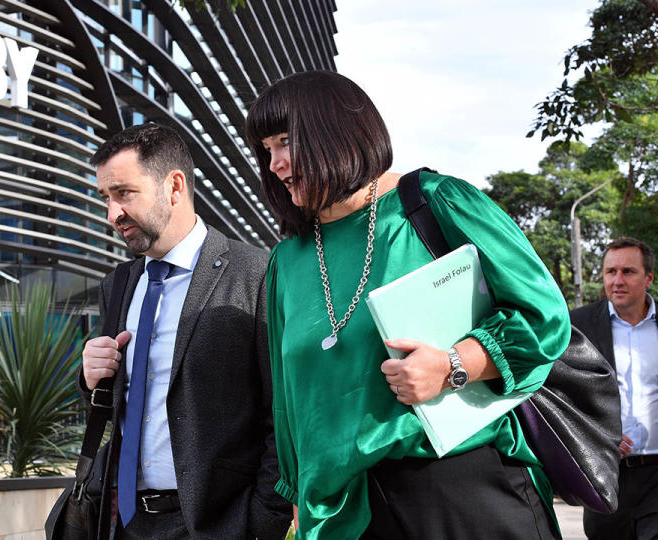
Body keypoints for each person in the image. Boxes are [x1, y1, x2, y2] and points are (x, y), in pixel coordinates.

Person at [245, 70, 571, 539]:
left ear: (336, 130)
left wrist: (453, 364)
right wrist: (299, 498)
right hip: (346, 513)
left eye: (284, 141)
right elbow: (288, 400)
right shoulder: (286, 260)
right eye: (265, 150)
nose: (275, 163)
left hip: (459, 482)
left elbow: (544, 317)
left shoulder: (436, 203)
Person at [78, 123, 292, 539]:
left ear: (174, 186)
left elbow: (282, 416)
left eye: (123, 193)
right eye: (105, 197)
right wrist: (90, 379)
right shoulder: (117, 285)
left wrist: (261, 521)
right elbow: (119, 406)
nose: (112, 214)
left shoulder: (257, 274)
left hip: (215, 526)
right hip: (122, 521)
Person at [571, 237, 657, 539]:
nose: (617, 281)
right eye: (610, 272)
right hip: (605, 473)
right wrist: (597, 431)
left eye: (628, 272)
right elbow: (558, 395)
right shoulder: (576, 326)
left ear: (649, 277)